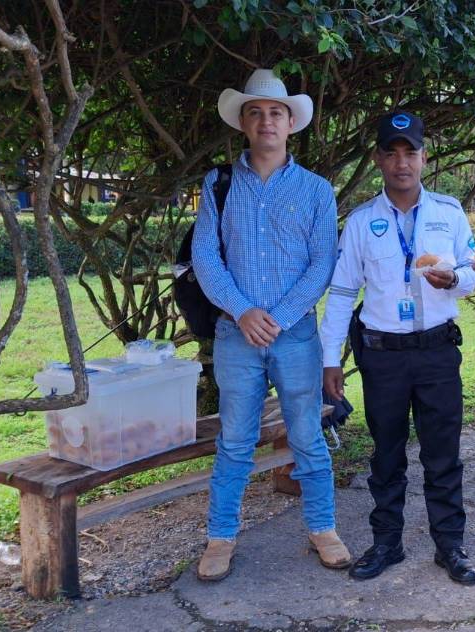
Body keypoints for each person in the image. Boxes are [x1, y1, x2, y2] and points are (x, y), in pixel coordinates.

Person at [191, 68, 349, 581]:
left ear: (290, 123)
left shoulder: (316, 190)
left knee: (308, 435)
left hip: (296, 334)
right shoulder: (217, 184)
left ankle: (323, 528)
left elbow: (322, 264)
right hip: (236, 334)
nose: (266, 121)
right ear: (243, 122)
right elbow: (206, 259)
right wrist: (242, 311)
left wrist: (276, 318)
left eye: (275, 112)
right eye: (255, 112)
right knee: (235, 440)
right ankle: (220, 538)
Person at [320, 111, 475, 585]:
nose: (401, 162)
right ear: (378, 160)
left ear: (424, 157)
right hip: (383, 355)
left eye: (409, 152)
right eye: (390, 153)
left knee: (442, 451)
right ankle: (387, 542)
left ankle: (450, 544)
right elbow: (344, 292)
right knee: (386, 452)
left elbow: (474, 273)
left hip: (436, 352)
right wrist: (332, 358)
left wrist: (453, 277)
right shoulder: (361, 221)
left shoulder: (449, 214)